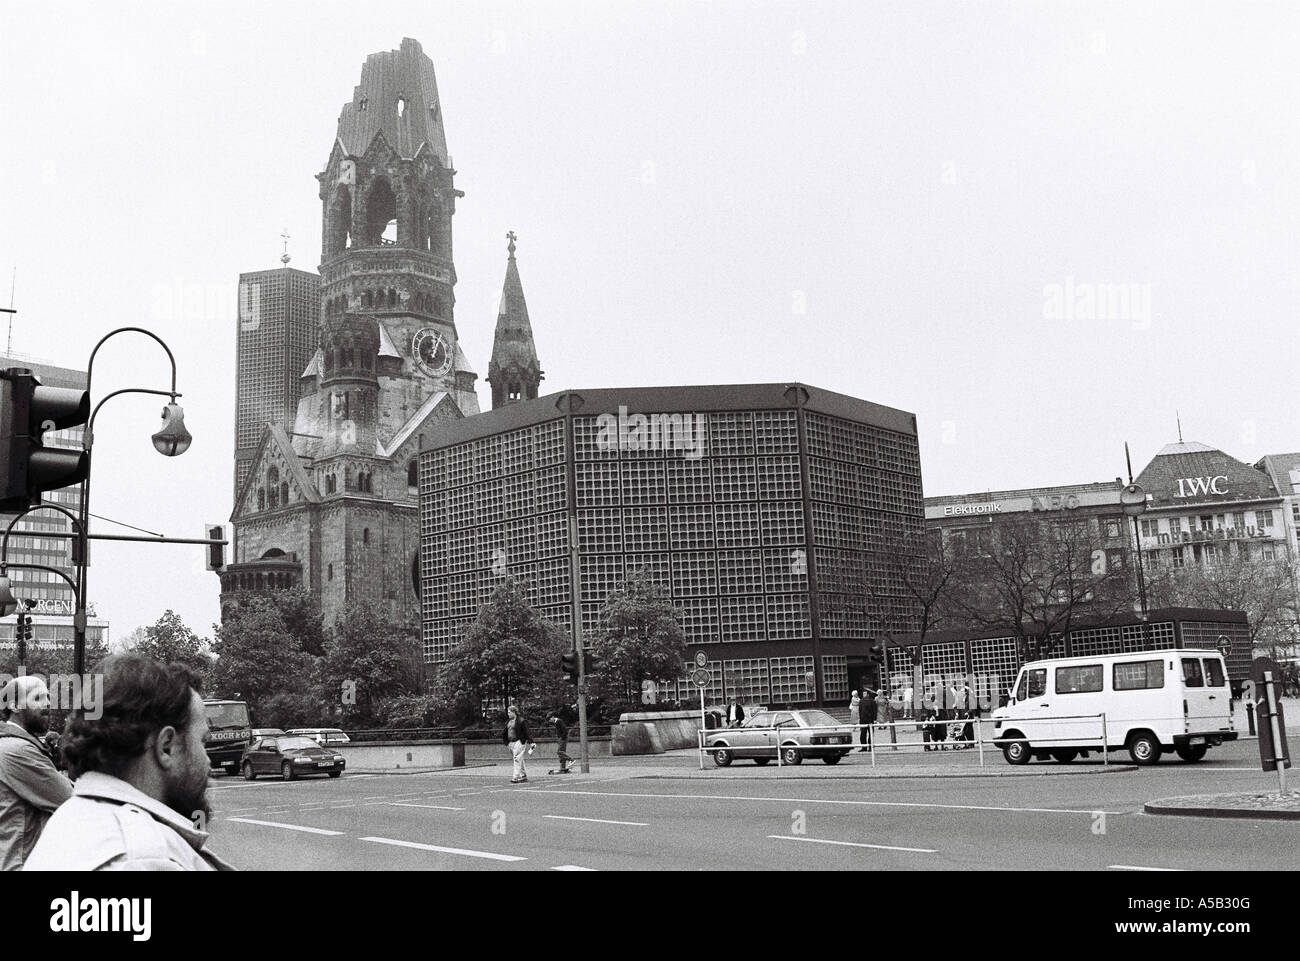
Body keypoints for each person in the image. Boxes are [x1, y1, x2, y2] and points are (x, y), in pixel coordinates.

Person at [24, 655, 234, 871]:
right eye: (202, 741)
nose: (208, 760)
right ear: (166, 747)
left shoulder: (71, 821)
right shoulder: (145, 859)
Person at [0, 676, 73, 871]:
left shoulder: (10, 744)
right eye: (38, 697)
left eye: (48, 696)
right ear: (15, 706)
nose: (48, 702)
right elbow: (70, 799)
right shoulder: (18, 750)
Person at [504, 704, 532, 784]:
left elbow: (527, 732)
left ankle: (515, 777)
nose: (508, 714)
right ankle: (523, 775)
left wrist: (531, 742)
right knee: (519, 759)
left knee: (516, 758)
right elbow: (505, 732)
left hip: (519, 741)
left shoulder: (521, 721)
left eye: (509, 712)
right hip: (511, 743)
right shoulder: (508, 722)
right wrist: (507, 742)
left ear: (514, 712)